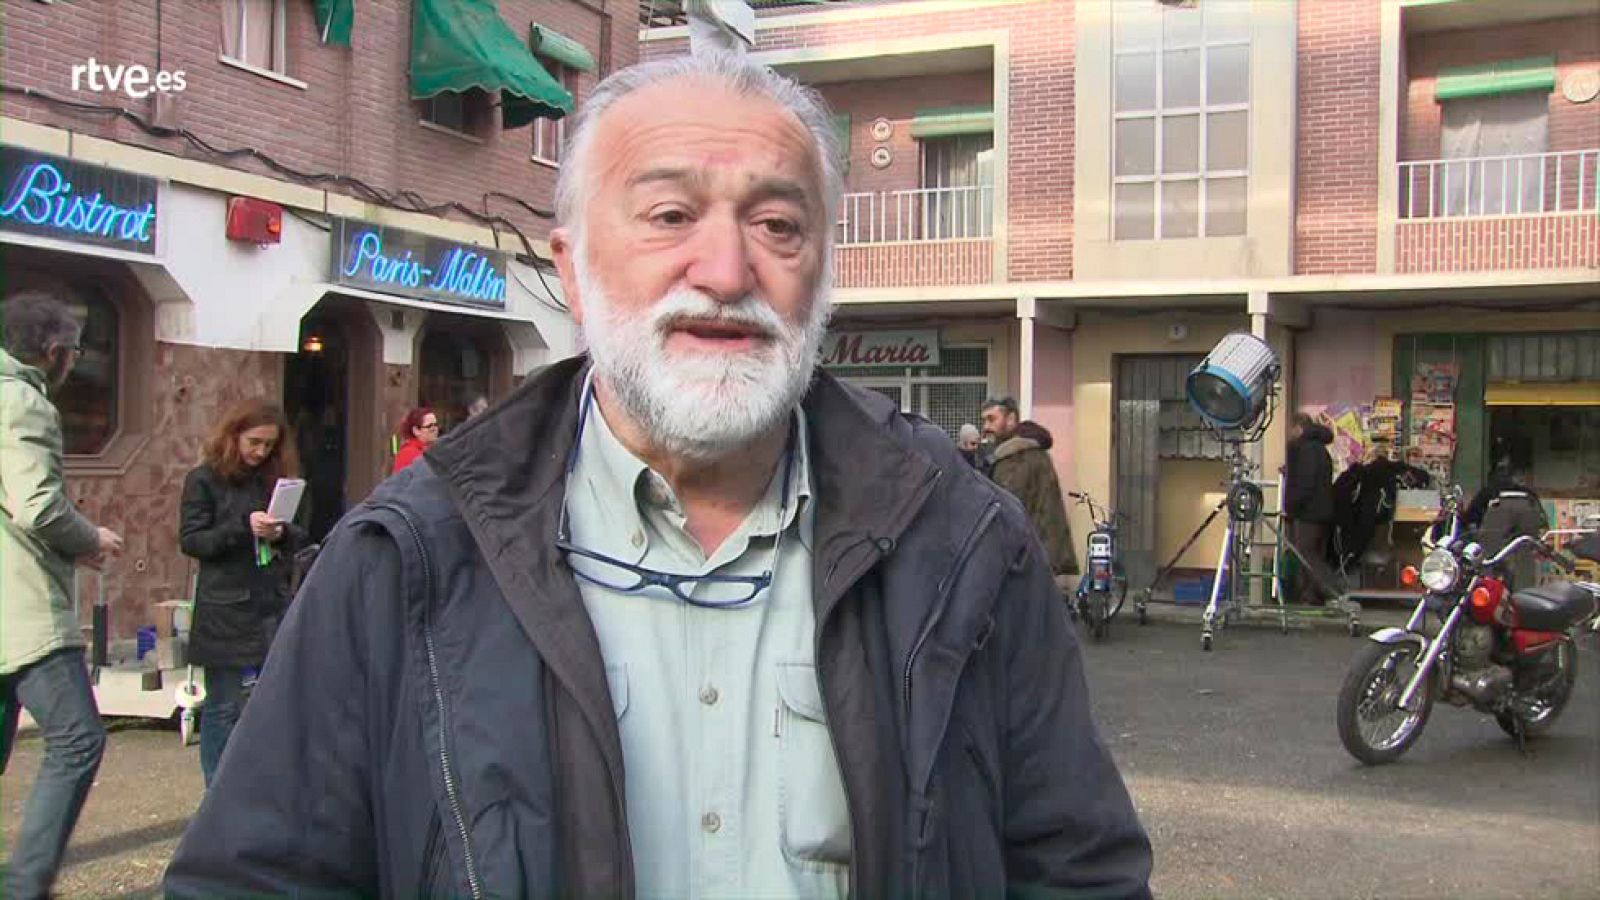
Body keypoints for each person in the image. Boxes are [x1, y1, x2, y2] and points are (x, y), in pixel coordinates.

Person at [166, 52, 1151, 897]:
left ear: (823, 272)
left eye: (778, 226)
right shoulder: (411, 559)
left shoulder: (965, 549)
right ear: (574, 265)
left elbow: (1077, 869)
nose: (725, 269)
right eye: (670, 213)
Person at [0, 291, 123, 899]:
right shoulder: (23, 402)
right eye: (74, 352)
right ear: (53, 353)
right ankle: (25, 888)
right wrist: (89, 536)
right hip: (21, 609)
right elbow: (37, 506)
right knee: (78, 741)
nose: (74, 363)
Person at [177, 399, 304, 787]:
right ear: (234, 436)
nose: (260, 452)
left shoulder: (272, 478)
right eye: (254, 442)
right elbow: (193, 540)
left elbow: (300, 534)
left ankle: (263, 784)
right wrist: (241, 527)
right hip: (225, 607)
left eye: (269, 445)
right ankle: (216, 788)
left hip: (268, 601)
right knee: (223, 705)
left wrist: (280, 532)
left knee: (273, 702)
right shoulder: (204, 479)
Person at [981, 398, 1079, 579]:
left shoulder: (1019, 458)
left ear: (1010, 419)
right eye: (984, 420)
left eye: (992, 419)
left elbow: (1007, 510)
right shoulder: (1016, 455)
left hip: (1027, 559)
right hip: (1036, 556)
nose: (986, 426)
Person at [1284, 412, 1335, 605]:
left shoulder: (1305, 450)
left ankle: (1333, 590)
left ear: (1299, 428)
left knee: (1306, 554)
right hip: (1322, 510)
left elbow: (1305, 482)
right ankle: (1312, 595)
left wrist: (1292, 505)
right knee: (1314, 553)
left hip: (1308, 511)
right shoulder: (1320, 449)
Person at [391, 406, 439, 473]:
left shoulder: (430, 450)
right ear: (416, 430)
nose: (435, 429)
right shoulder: (409, 453)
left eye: (436, 424)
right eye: (429, 426)